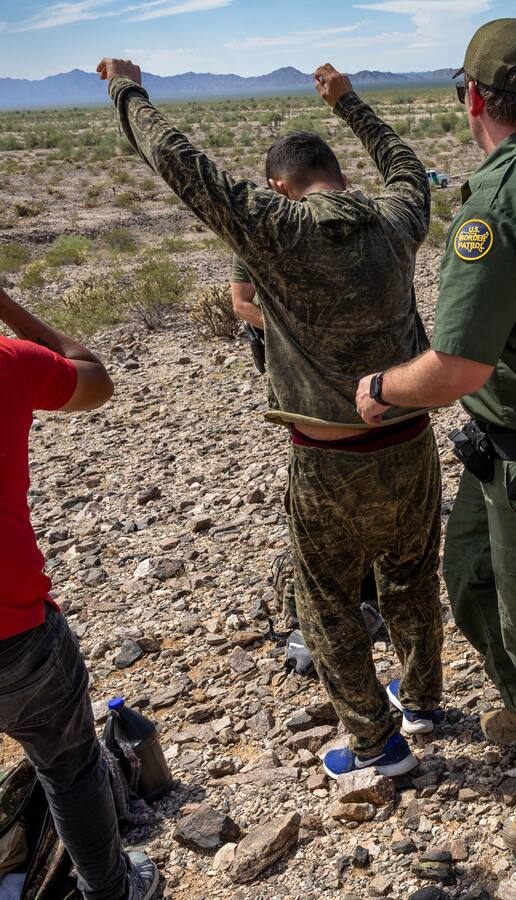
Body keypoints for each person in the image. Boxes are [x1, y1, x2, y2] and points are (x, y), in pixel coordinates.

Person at [97, 58, 445, 775]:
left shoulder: (276, 228)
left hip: (329, 460)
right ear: (340, 177)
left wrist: (127, 90)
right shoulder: (397, 217)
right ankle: (424, 700)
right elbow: (407, 165)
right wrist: (350, 103)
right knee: (412, 578)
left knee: (325, 601)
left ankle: (379, 745)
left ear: (280, 186)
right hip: (412, 443)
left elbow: (179, 162)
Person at [352, 18, 516, 854]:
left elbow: (459, 366)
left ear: (473, 98)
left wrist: (381, 389)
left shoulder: (493, 207)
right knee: (469, 572)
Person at [0, 288, 160, 900]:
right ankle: (111, 890)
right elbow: (95, 378)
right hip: (15, 634)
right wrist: (10, 309)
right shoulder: (10, 362)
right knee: (68, 767)